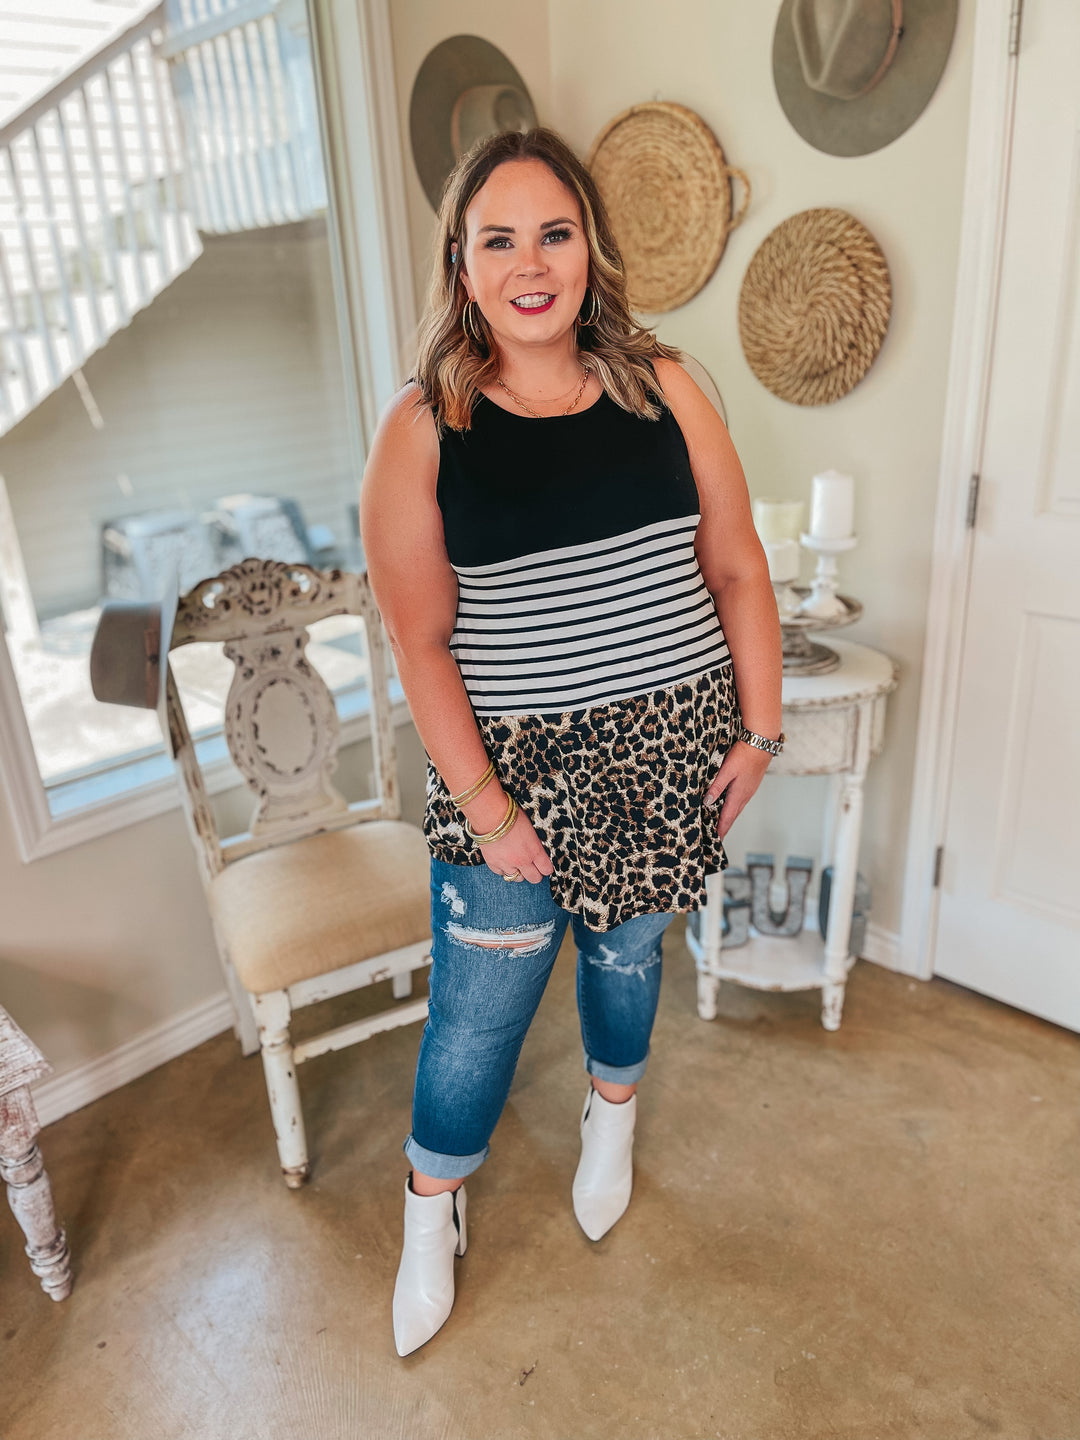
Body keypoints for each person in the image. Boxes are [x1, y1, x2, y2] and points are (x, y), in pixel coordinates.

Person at [360, 127, 783, 1357]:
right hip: (513, 782)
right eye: (500, 239)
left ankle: (613, 1116)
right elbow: (423, 646)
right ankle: (430, 1208)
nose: (530, 264)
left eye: (555, 232)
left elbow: (738, 568)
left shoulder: (668, 386)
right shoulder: (423, 428)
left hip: (670, 755)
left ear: (591, 247)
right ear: (463, 263)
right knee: (479, 1021)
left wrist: (758, 731)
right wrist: (492, 813)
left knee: (626, 963)